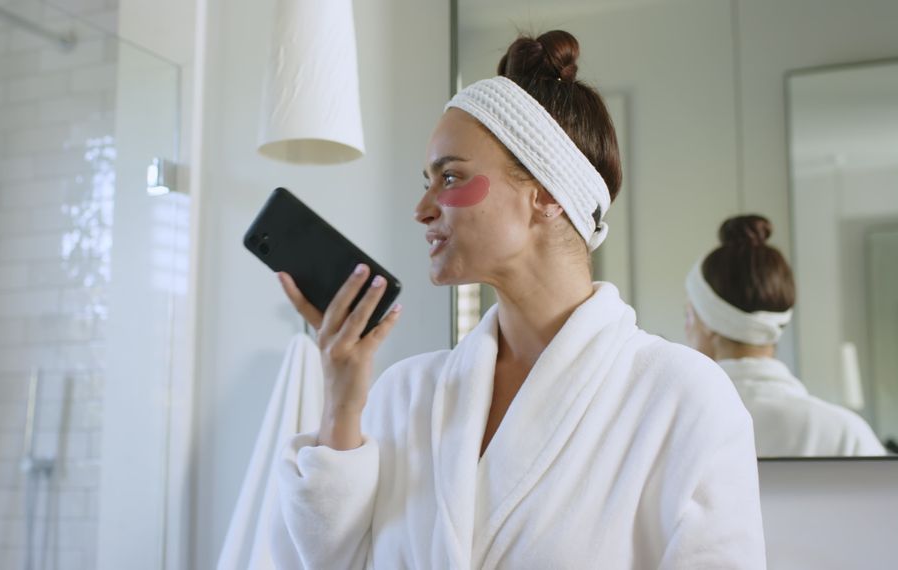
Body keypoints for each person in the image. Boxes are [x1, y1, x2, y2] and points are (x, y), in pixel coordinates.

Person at [273, 30, 766, 569]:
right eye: (427, 180)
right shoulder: (406, 394)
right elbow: (333, 563)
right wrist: (343, 399)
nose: (422, 208)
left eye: (451, 177)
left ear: (547, 195)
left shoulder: (681, 399)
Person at [685, 214, 885, 458]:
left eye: (689, 315)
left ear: (706, 322)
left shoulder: (678, 426)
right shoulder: (845, 433)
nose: (687, 330)